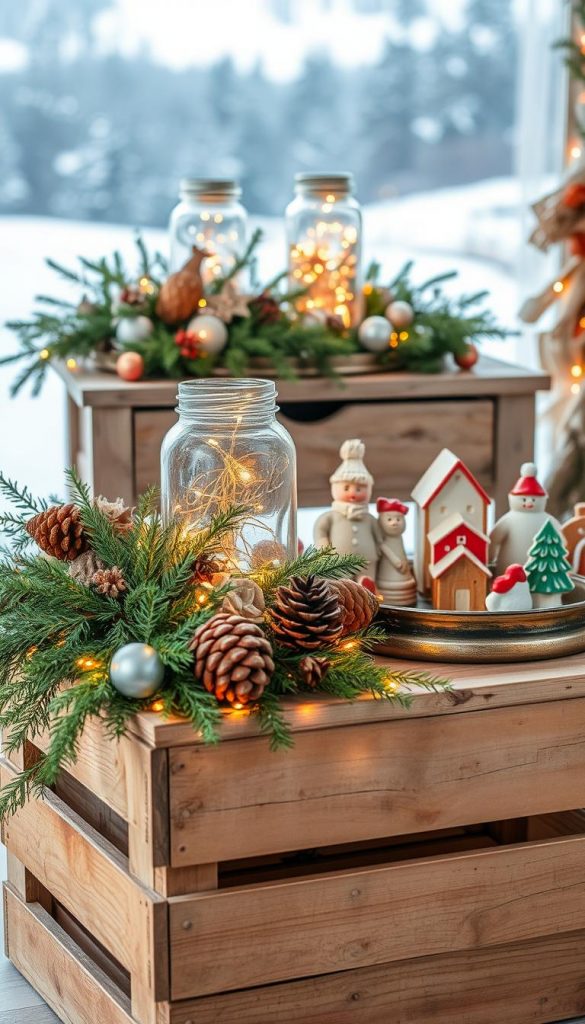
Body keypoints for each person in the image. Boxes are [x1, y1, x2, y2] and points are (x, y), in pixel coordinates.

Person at [313, 439, 381, 581]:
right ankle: (343, 591)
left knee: (367, 579)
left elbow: (378, 536)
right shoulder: (331, 516)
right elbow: (320, 530)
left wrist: (381, 546)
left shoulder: (369, 519)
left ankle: (367, 587)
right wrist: (323, 546)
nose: (353, 493)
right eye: (346, 488)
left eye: (359, 488)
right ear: (335, 488)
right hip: (339, 561)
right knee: (341, 581)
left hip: (367, 560)